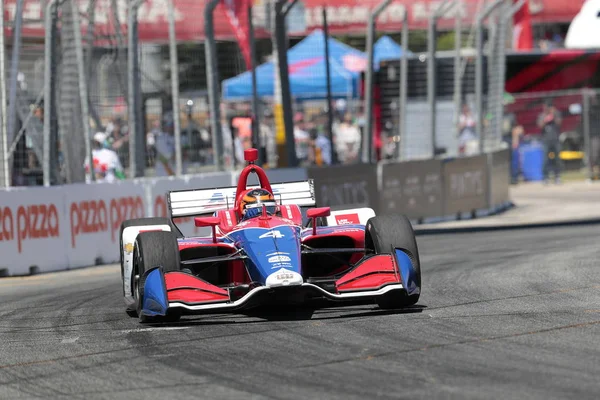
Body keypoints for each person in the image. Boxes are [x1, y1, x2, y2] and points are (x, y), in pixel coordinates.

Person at [537, 99, 562, 184]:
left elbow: (559, 123)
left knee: (557, 159)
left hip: (555, 140)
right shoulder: (542, 115)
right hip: (545, 140)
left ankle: (557, 176)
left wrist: (553, 115)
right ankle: (545, 177)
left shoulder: (556, 114)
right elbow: (540, 125)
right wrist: (546, 119)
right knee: (545, 159)